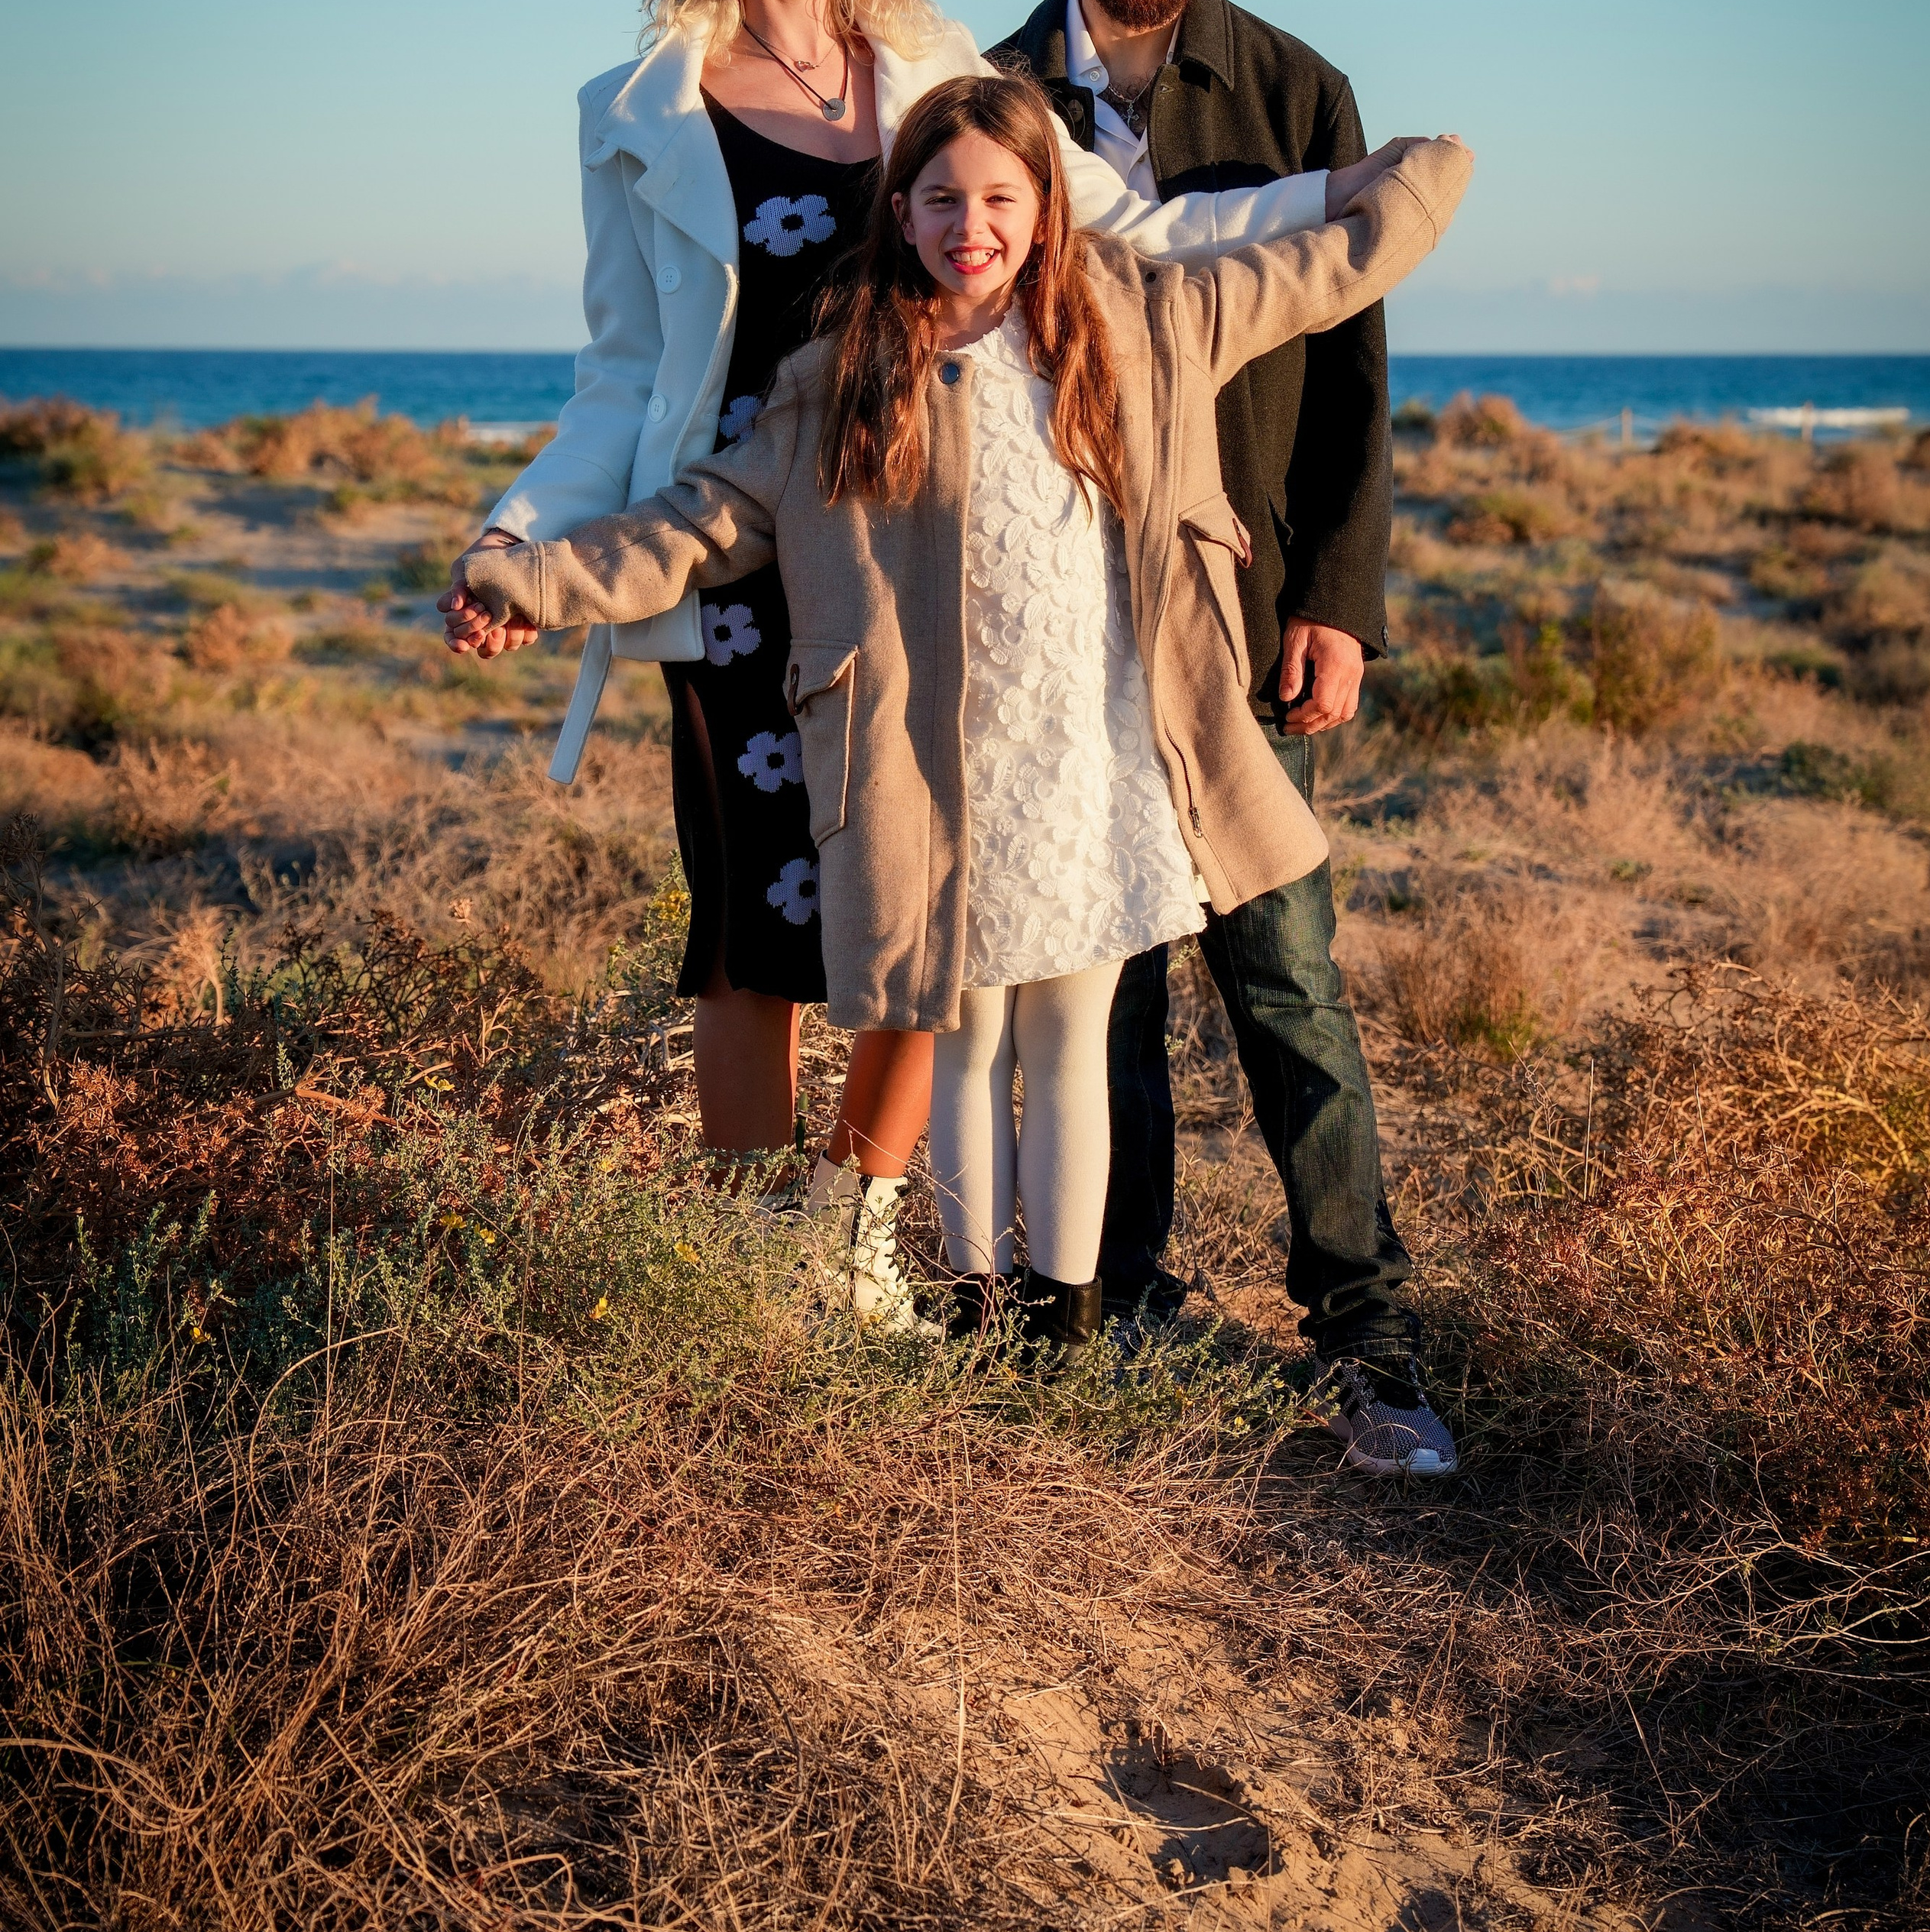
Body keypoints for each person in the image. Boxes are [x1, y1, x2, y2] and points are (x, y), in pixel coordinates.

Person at [455, 0, 1362, 1325]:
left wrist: (1351, 200)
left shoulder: (925, 61)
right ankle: (744, 1265)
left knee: (919, 886)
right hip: (733, 552)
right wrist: (519, 535)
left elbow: (1117, 237)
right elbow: (618, 372)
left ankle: (862, 1249)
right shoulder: (638, 110)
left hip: (900, 550)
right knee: (751, 930)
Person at [442, 73, 1472, 1362]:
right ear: (902, 212)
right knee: (966, 1035)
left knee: (1071, 1037)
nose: (969, 223)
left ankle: (1068, 1315)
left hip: (1098, 754)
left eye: (999, 195)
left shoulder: (1150, 319)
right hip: (937, 769)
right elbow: (703, 522)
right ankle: (982, 1305)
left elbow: (1329, 268)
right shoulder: (843, 382)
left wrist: (1428, 168)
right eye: (940, 198)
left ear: (1048, 206)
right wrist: (532, 580)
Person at [990, 0, 1454, 1476]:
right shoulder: (983, 98)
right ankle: (1110, 1305)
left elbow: (1352, 373)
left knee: (1284, 974)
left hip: (1249, 621)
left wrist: (1336, 598)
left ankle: (1365, 1326)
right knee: (1093, 981)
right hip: (1060, 627)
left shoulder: (1296, 92)